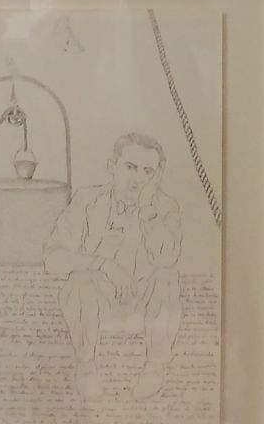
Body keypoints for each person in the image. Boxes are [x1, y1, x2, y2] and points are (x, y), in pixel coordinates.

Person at [44, 133, 182, 401]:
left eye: (148, 171)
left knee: (166, 276)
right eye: (130, 167)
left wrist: (148, 214)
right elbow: (53, 257)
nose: (138, 179)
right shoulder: (87, 201)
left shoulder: (165, 207)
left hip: (144, 301)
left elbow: (168, 258)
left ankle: (155, 367)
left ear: (157, 176)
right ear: (112, 167)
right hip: (100, 298)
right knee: (80, 280)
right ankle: (86, 366)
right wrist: (102, 264)